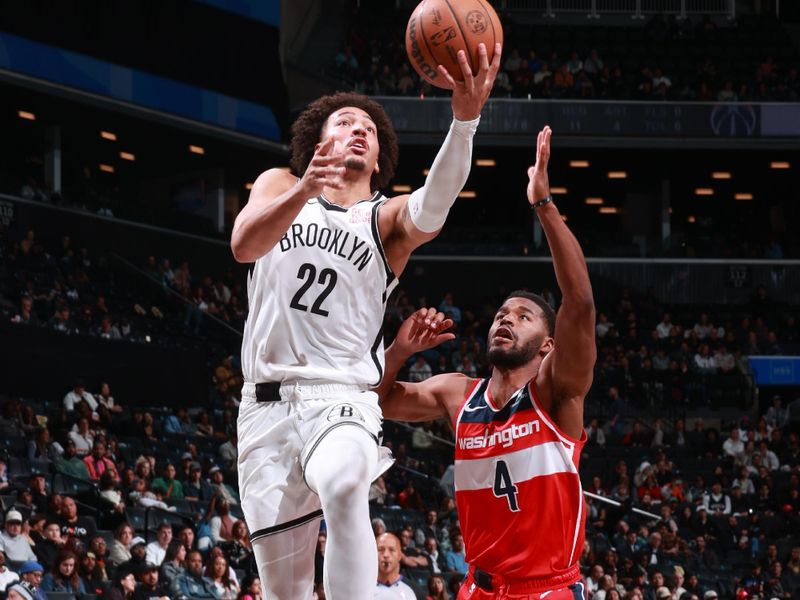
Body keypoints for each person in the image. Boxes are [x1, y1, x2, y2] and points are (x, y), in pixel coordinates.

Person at [231, 39, 502, 600]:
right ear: (316, 141)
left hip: (341, 395)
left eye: (370, 130)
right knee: (285, 592)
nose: (358, 129)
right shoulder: (281, 184)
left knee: (346, 480)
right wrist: (307, 185)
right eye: (343, 122)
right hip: (264, 410)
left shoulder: (385, 220)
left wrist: (466, 122)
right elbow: (242, 244)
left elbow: (439, 199)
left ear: (378, 160)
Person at [379, 126, 595, 600]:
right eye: (501, 314)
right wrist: (399, 352)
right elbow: (380, 403)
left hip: (545, 590)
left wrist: (544, 204)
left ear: (548, 345)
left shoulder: (556, 393)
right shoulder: (459, 393)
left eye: (524, 316)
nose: (506, 319)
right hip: (477, 588)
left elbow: (578, 300)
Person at [375, 533, 417, 599]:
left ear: (400, 555)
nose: (386, 555)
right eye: (380, 549)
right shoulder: (361, 588)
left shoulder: (413, 591)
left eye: (391, 550)